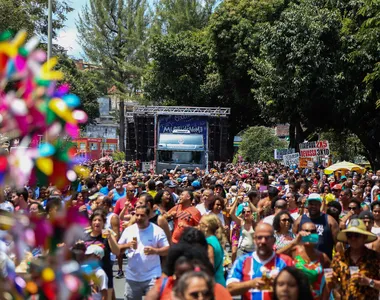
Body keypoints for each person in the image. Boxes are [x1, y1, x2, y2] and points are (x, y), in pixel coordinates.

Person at [227, 223, 294, 299]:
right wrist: (252, 284)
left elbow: (297, 288)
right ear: (254, 240)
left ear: (274, 240)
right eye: (259, 237)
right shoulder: (242, 261)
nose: (263, 241)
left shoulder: (286, 261)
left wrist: (281, 282)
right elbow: (229, 289)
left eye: (267, 238)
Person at [118, 206, 170, 300]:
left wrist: (155, 251)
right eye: (137, 215)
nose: (138, 218)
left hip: (152, 276)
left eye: (142, 215)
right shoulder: (129, 230)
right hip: (132, 277)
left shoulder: (157, 231)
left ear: (148, 216)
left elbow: (167, 249)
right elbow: (118, 249)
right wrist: (127, 245)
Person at [327, 219, 380, 299]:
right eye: (349, 235)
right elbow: (335, 286)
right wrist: (333, 282)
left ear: (364, 237)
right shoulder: (339, 258)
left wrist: (369, 282)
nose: (353, 238)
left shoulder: (376, 258)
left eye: (357, 235)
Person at [277, 222, 330, 299]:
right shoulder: (294, 251)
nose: (309, 234)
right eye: (306, 231)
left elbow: (331, 277)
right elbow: (274, 257)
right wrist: (294, 242)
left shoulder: (322, 257)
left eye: (312, 232)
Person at [83, 209, 120, 299]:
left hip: (105, 274)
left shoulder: (108, 235)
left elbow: (117, 252)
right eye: (95, 220)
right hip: (89, 275)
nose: (97, 222)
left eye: (100, 220)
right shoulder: (85, 236)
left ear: (103, 223)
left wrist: (110, 238)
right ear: (91, 223)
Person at [293, 193, 339, 259]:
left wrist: (338, 259)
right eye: (311, 204)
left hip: (324, 261)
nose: (313, 206)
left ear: (320, 205)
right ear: (307, 205)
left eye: (316, 204)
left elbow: (338, 243)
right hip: (303, 262)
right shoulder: (299, 220)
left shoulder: (330, 220)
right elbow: (294, 240)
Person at [198, 214, 226, 286]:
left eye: (200, 224)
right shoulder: (215, 240)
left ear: (206, 227)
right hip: (220, 281)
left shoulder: (209, 242)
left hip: (214, 284)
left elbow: (210, 267)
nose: (198, 227)